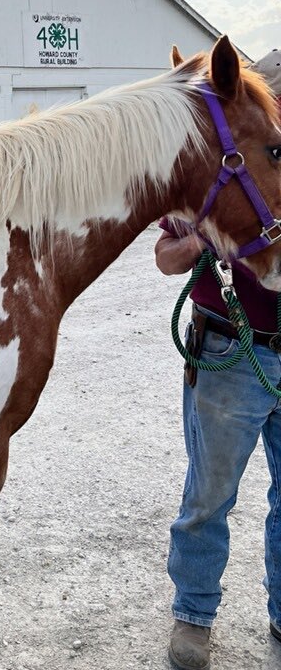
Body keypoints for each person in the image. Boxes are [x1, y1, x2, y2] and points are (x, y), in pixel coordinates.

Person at [156, 209, 281, 667]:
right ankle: (193, 612)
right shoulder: (223, 174)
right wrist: (205, 240)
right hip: (230, 353)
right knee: (210, 494)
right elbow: (166, 259)